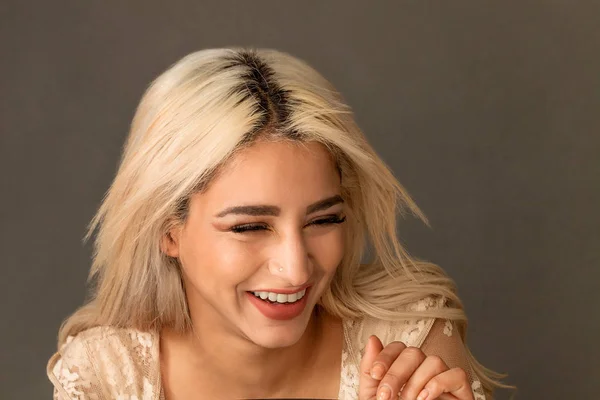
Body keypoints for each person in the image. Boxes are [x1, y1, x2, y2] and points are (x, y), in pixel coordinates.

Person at [47, 48, 509, 400]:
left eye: (324, 219)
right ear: (169, 232)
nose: (296, 269)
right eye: (250, 227)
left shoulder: (410, 347)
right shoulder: (105, 376)